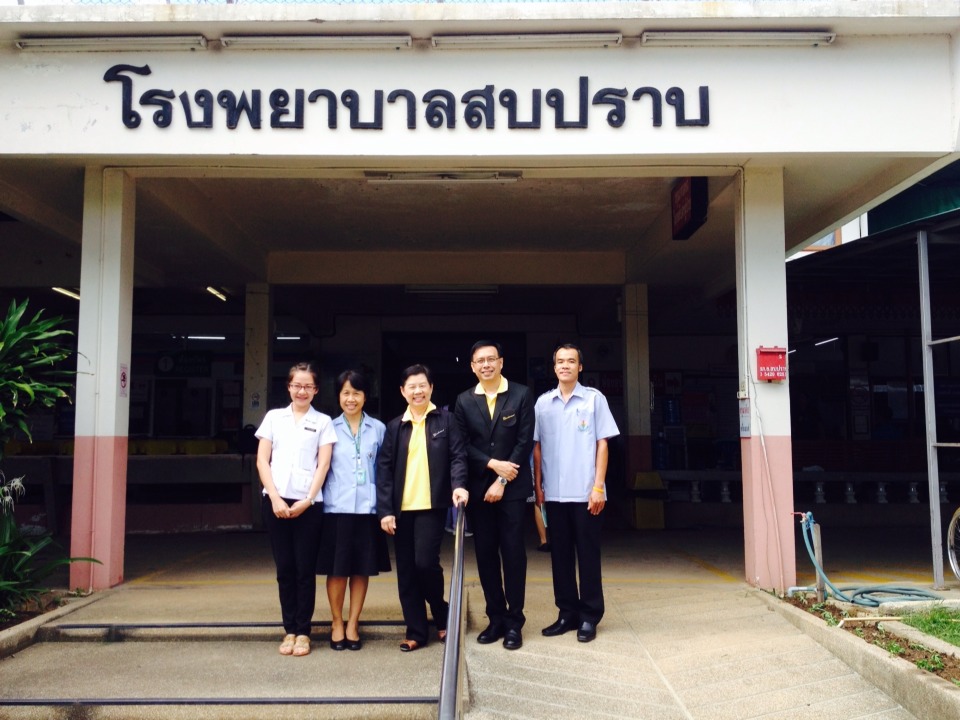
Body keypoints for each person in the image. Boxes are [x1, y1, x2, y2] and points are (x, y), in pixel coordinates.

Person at [377, 364, 470, 652]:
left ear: (431, 388)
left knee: (425, 563)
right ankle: (416, 630)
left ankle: (441, 611)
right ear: (402, 391)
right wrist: (385, 510)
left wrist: (459, 485)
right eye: (411, 387)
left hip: (431, 505)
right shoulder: (395, 427)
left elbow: (457, 456)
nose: (417, 391)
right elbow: (384, 470)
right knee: (406, 572)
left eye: (422, 385)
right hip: (401, 510)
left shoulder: (447, 420)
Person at [534, 344, 619, 644]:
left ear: (580, 367)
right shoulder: (543, 404)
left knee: (588, 555)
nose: (565, 366)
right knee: (560, 557)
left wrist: (598, 487)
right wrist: (538, 487)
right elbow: (537, 448)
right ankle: (567, 613)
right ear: (554, 367)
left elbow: (603, 444)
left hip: (586, 494)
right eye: (560, 361)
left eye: (571, 361)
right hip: (555, 495)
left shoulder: (594, 399)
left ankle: (589, 616)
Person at [454, 340, 535, 650]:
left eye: (491, 359)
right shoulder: (464, 400)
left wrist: (501, 479)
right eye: (480, 361)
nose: (486, 365)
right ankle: (495, 618)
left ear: (501, 362)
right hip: (479, 490)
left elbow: (524, 441)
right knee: (486, 555)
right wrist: (491, 464)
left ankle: (515, 622)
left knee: (513, 554)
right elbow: (462, 444)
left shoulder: (520, 394)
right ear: (472, 367)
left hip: (511, 489)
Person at [256, 361, 336, 657]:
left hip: (308, 506)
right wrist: (275, 498)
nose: (302, 391)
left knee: (304, 568)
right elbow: (262, 460)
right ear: (289, 387)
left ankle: (303, 631)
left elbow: (323, 464)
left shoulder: (323, 422)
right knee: (285, 568)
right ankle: (289, 629)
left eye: (308, 386)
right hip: (276, 502)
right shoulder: (273, 418)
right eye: (297, 385)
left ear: (316, 390)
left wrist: (309, 499)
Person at [316, 370, 391, 652]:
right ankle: (337, 622)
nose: (351, 399)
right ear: (338, 396)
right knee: (337, 570)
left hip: (367, 509)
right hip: (336, 508)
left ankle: (353, 623)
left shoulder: (378, 429)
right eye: (345, 393)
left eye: (356, 393)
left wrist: (384, 507)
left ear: (365, 396)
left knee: (361, 569)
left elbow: (384, 471)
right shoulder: (328, 427)